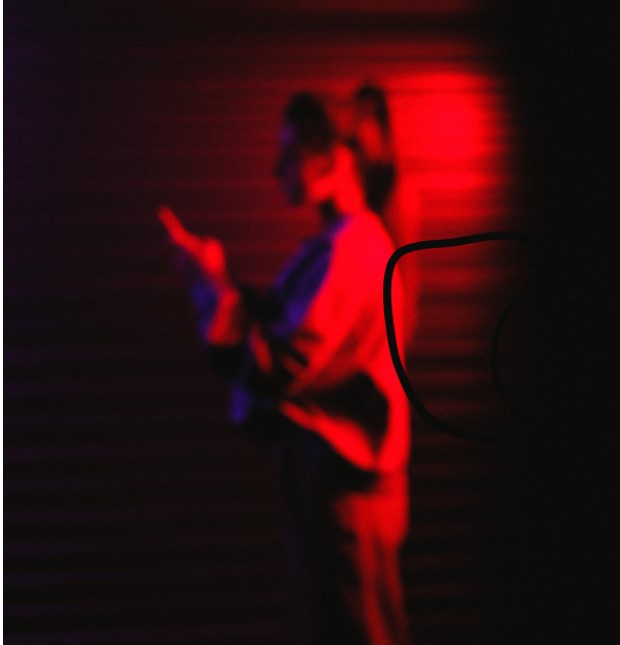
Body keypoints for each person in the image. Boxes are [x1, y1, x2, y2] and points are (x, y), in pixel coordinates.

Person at [158, 91, 412, 645]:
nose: (277, 168)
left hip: (349, 493)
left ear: (338, 159)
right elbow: (278, 320)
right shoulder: (335, 245)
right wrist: (216, 282)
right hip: (332, 484)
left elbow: (281, 366)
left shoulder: (354, 248)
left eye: (290, 152)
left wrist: (216, 299)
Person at [343, 82, 420, 350]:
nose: (360, 126)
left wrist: (404, 323)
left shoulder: (395, 186)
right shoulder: (354, 181)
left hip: (383, 304)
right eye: (357, 115)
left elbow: (407, 260)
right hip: (355, 304)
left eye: (367, 116)